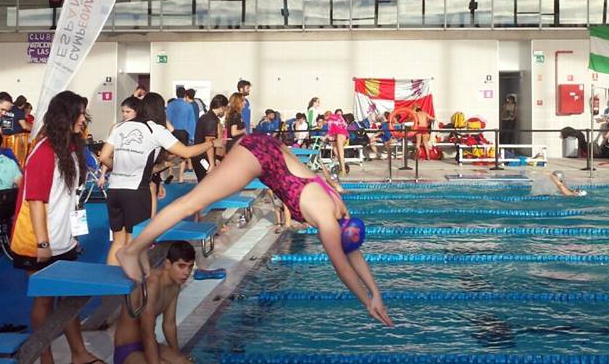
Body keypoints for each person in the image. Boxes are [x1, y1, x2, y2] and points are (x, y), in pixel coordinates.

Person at [117, 133, 393, 326]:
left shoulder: (339, 207)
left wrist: (376, 291)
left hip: (268, 147)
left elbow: (353, 252)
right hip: (258, 157)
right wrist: (366, 301)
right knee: (191, 203)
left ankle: (139, 248)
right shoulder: (327, 222)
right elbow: (342, 266)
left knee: (193, 202)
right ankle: (131, 250)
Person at [8, 91, 102, 364]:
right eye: (80, 114)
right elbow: (36, 201)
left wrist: (72, 236)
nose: (84, 119)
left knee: (69, 297)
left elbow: (70, 199)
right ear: (65, 116)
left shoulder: (71, 149)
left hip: (63, 237)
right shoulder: (44, 151)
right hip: (38, 240)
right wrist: (43, 243)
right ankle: (45, 357)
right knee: (45, 300)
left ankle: (79, 353)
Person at [99, 93, 223, 266]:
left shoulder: (120, 127)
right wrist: (211, 144)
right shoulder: (155, 129)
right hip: (136, 192)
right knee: (135, 244)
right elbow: (186, 152)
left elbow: (104, 156)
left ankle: (111, 286)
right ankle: (133, 287)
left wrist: (122, 168)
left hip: (114, 190)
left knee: (118, 242)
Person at [113, 240, 196, 364]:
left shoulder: (175, 286)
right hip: (128, 349)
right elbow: (146, 331)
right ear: (168, 264)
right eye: (181, 266)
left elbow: (169, 325)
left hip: (150, 344)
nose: (186, 273)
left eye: (190, 267)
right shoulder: (152, 283)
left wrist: (177, 356)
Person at [191, 94, 229, 181]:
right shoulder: (211, 120)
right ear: (222, 107)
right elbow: (209, 143)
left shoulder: (208, 117)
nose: (225, 112)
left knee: (206, 185)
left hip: (202, 156)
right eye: (226, 109)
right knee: (206, 185)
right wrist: (212, 163)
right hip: (203, 157)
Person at [327, 109, 350, 177]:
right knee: (337, 153)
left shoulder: (332, 119)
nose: (339, 115)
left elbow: (331, 130)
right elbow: (344, 126)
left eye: (340, 114)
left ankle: (343, 170)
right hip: (339, 135)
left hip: (340, 135)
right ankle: (342, 167)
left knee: (340, 153)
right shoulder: (340, 119)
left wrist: (325, 137)